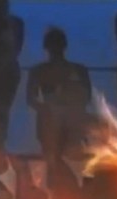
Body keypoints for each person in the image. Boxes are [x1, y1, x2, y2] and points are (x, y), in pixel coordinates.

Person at [26, 27, 92, 162]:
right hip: (50, 121)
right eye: (53, 43)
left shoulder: (79, 70)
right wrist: (47, 110)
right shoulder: (38, 71)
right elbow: (31, 99)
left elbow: (87, 96)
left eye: (58, 43)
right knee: (53, 158)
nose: (55, 47)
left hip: (72, 119)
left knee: (73, 157)